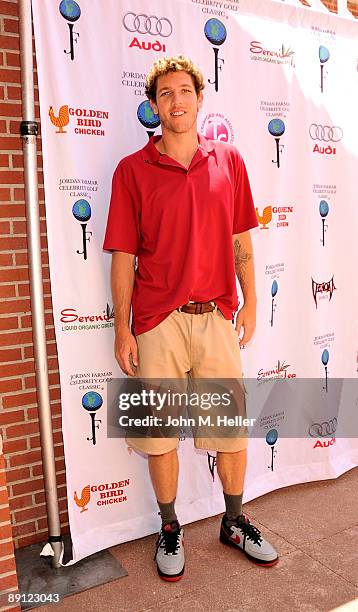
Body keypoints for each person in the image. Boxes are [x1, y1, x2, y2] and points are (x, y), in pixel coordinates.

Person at [103, 55, 278, 581]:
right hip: (158, 321)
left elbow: (240, 238)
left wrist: (249, 301)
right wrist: (122, 326)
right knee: (159, 435)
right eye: (165, 94)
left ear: (201, 98)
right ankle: (170, 526)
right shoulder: (132, 170)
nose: (176, 101)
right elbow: (123, 256)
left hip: (217, 315)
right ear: (153, 105)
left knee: (230, 430)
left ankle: (233, 520)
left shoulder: (230, 161)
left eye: (185, 91)